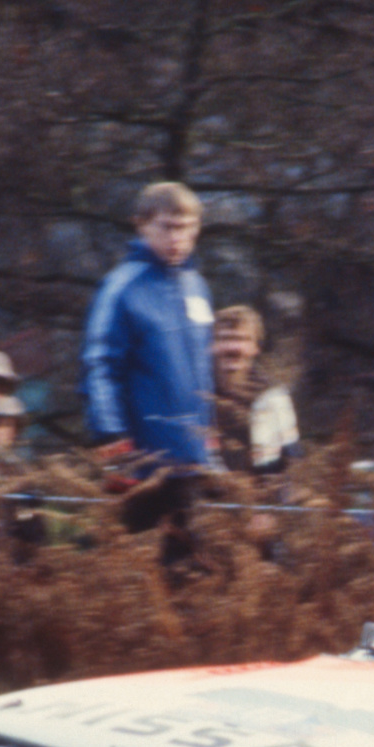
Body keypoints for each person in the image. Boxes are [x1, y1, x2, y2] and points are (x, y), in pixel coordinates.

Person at [83, 182, 217, 551]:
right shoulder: (121, 286)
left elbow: (203, 372)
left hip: (190, 459)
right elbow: (99, 366)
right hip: (140, 458)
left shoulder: (197, 286)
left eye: (185, 227)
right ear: (141, 225)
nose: (177, 238)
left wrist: (209, 437)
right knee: (133, 565)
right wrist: (112, 442)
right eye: (167, 227)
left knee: (189, 566)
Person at [210, 304, 301, 479]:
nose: (233, 347)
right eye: (225, 338)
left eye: (242, 339)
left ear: (255, 348)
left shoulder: (272, 398)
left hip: (256, 490)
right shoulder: (196, 393)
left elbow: (291, 463)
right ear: (211, 345)